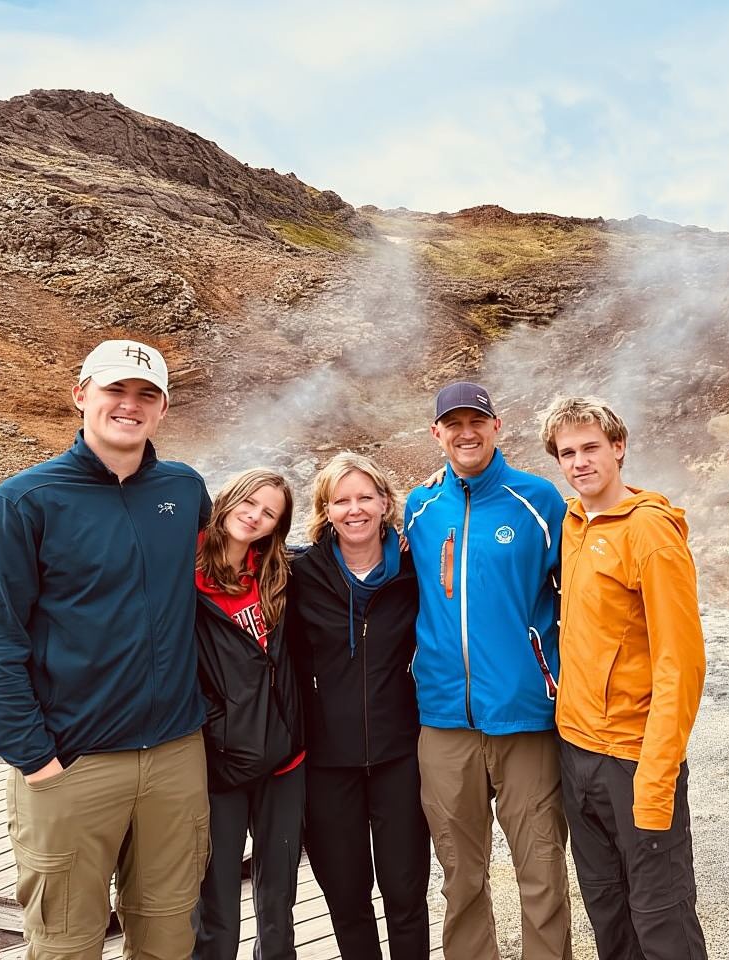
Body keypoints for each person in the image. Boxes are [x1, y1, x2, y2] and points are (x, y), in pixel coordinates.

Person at [0, 339, 211, 959]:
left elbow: (241, 561)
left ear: (162, 410)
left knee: (168, 935)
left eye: (146, 395)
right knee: (65, 944)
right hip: (71, 763)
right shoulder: (24, 502)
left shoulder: (184, 491)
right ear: (82, 395)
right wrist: (34, 758)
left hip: (175, 755)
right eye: (115, 390)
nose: (129, 406)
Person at [404, 381, 571, 960]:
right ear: (437, 434)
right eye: (453, 424)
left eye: (477, 421)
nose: (466, 432)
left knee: (542, 868)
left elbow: (576, 594)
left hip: (525, 713)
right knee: (460, 875)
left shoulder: (539, 501)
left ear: (498, 427)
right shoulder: (420, 507)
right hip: (445, 719)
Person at [538, 396, 708, 960]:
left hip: (634, 760)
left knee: (661, 920)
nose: (580, 461)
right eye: (568, 452)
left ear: (619, 447)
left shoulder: (651, 535)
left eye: (591, 448)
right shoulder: (572, 523)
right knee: (608, 914)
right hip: (577, 750)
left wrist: (657, 783)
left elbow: (680, 663)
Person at [286, 452, 430, 959]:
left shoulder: (415, 567)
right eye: (340, 500)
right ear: (325, 510)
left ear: (386, 503)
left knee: (406, 894)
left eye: (365, 497)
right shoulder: (299, 573)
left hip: (400, 755)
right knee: (346, 898)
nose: (355, 510)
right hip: (326, 763)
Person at [193, 468, 304, 960]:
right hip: (221, 762)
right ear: (229, 498)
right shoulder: (183, 571)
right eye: (250, 503)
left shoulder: (277, 573)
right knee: (215, 897)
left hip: (285, 759)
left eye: (269, 513)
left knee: (278, 896)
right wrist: (214, 727)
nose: (255, 516)